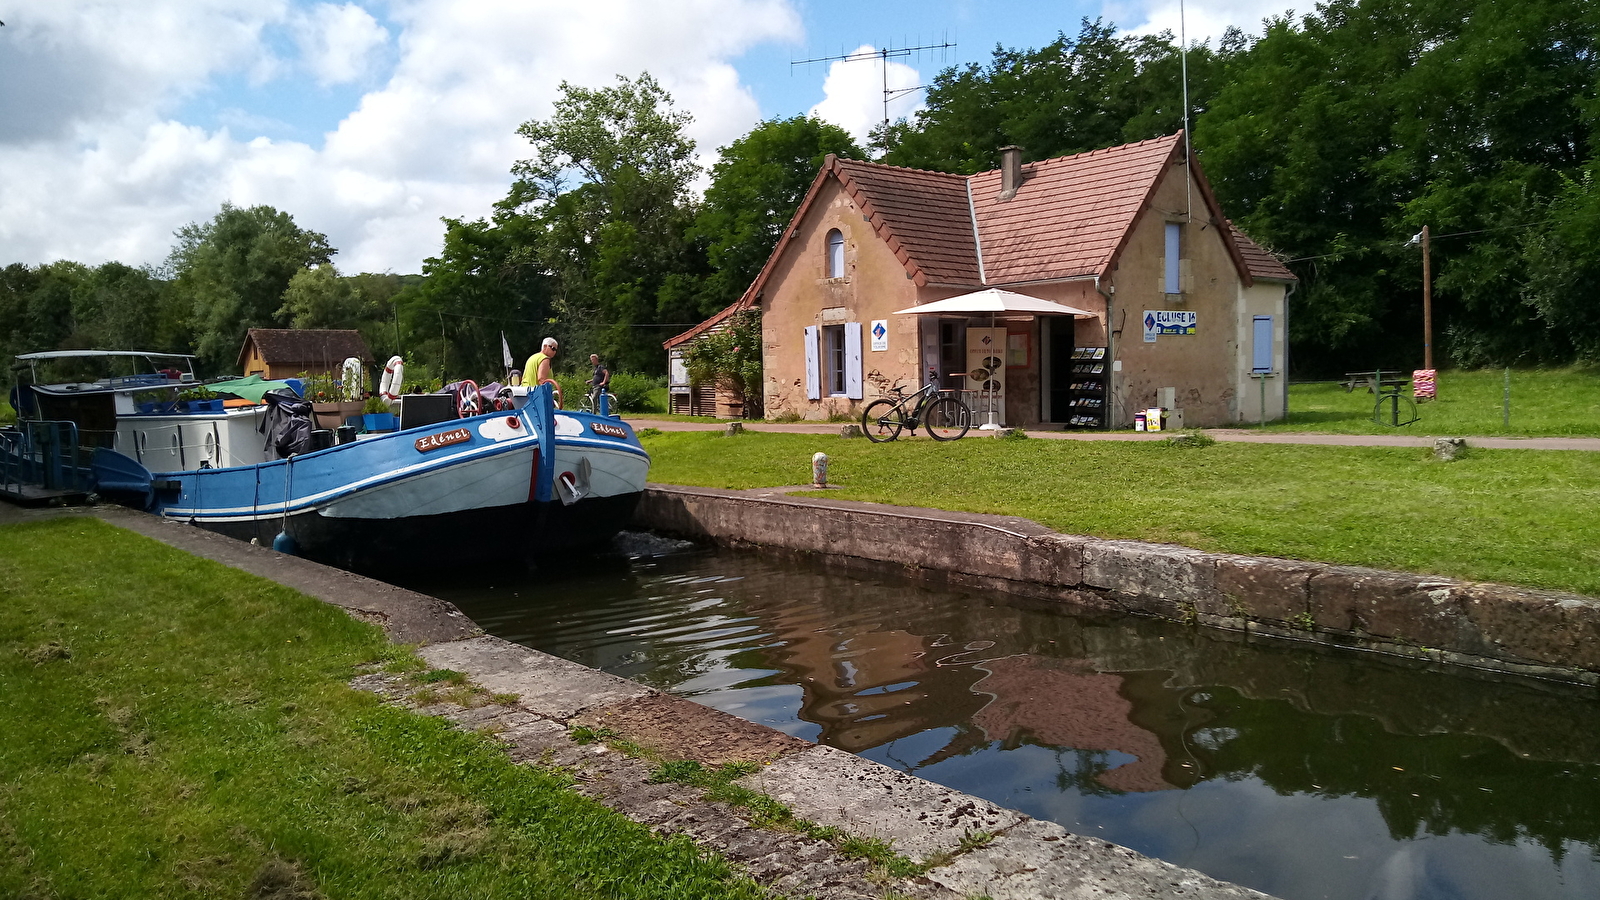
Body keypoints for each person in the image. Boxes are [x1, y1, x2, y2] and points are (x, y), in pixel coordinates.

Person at [522, 337, 562, 406]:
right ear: (545, 346)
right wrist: (548, 398)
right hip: (536, 395)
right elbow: (541, 380)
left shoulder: (532, 357)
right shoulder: (545, 359)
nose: (554, 352)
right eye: (553, 348)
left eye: (555, 350)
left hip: (525, 392)